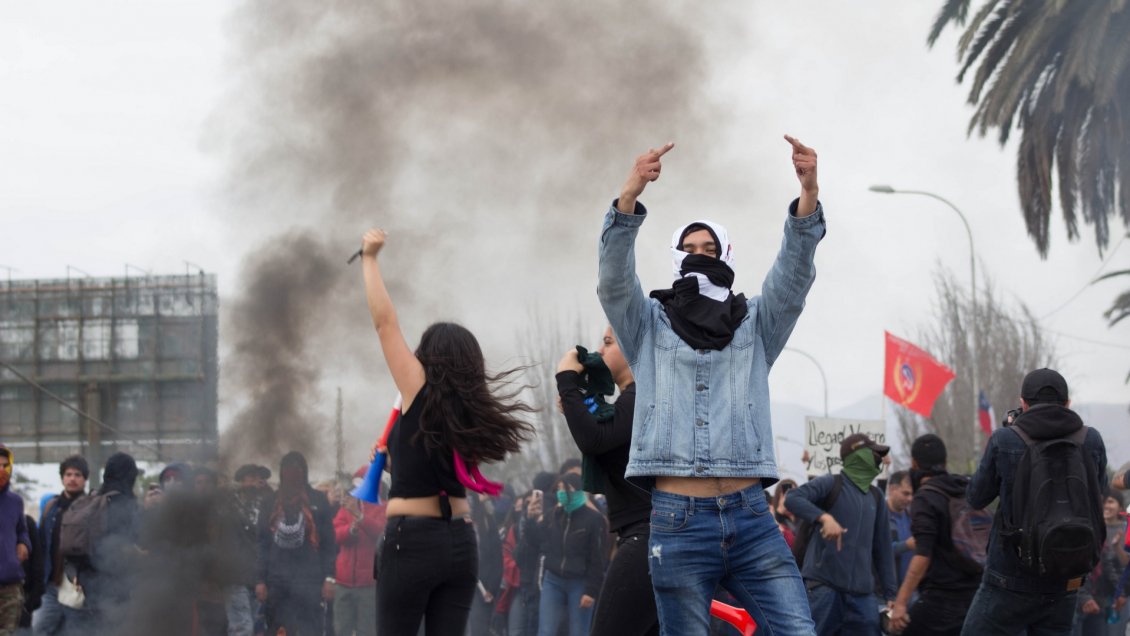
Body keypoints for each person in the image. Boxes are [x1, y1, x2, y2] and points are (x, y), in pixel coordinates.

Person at [596, 136, 824, 635]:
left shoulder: (756, 323)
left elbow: (793, 277)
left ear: (727, 256)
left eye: (711, 249)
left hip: (752, 520)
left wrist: (807, 196)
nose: (700, 257)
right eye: (690, 249)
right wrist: (629, 197)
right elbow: (613, 282)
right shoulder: (647, 325)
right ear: (676, 259)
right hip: (677, 524)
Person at [359, 227, 535, 636]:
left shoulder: (419, 387)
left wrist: (369, 258)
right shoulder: (471, 410)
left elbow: (385, 324)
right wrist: (394, 463)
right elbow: (436, 468)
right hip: (460, 542)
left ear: (428, 358)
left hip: (412, 541)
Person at [962, 368, 1108, 636]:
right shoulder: (1091, 440)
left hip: (1008, 578)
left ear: (1023, 403)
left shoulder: (1006, 439)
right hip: (1066, 577)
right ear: (1067, 404)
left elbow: (975, 497)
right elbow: (1098, 494)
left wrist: (1010, 431)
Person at [556, 327, 657, 636]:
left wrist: (566, 381)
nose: (599, 350)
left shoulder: (642, 396)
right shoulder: (634, 400)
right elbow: (600, 436)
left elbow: (595, 439)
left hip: (646, 537)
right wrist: (575, 406)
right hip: (647, 537)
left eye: (609, 342)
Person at [785, 434, 897, 635]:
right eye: (875, 453)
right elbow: (792, 498)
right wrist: (824, 518)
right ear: (858, 455)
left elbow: (883, 548)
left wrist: (891, 593)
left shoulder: (876, 496)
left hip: (863, 598)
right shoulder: (831, 483)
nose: (879, 459)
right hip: (824, 591)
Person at [889, 434, 983, 636]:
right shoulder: (964, 488)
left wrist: (901, 603)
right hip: (976, 595)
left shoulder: (925, 497)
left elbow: (923, 555)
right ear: (945, 462)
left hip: (941, 598)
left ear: (914, 464)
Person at [255, 451, 335, 636]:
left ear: (304, 472)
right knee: (279, 629)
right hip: (277, 581)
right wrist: (260, 580)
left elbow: (329, 544)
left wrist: (329, 578)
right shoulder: (269, 502)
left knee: (311, 629)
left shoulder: (318, 500)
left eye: (297, 469)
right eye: (288, 470)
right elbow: (262, 544)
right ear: (282, 473)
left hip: (310, 580)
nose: (293, 475)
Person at [526, 473, 606, 636]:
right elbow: (537, 541)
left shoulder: (594, 519)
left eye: (565, 488)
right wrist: (530, 519)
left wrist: (591, 591)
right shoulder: (554, 514)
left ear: (576, 490)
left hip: (579, 582)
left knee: (579, 631)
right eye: (559, 489)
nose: (560, 493)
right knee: (545, 630)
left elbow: (598, 557)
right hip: (553, 579)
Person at [32, 455, 89, 636]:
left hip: (76, 585)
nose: (72, 479)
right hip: (50, 582)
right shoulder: (51, 507)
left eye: (77, 475)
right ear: (62, 478)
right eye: (68, 474)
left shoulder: (92, 508)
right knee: (40, 628)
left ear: (85, 479)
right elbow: (41, 542)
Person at [332, 468, 385, 636]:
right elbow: (336, 534)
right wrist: (351, 530)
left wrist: (361, 517)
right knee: (341, 630)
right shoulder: (346, 507)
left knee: (367, 631)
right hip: (343, 582)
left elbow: (381, 534)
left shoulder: (383, 507)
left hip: (368, 584)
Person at [1072, 490, 1129, 636]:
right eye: (1103, 502)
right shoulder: (1091, 528)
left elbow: (1118, 565)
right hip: (1085, 597)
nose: (1106, 506)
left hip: (1113, 597)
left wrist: (1121, 593)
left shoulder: (1125, 530)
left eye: (1110, 501)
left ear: (1120, 507)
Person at [0, 446, 30, 636]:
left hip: (10, 587)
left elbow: (22, 530)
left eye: (5, 465)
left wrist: (24, 543)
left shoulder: (15, 501)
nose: (2, 470)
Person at [886, 470, 914, 585]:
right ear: (892, 489)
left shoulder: (911, 517)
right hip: (885, 594)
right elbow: (879, 550)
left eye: (912, 494)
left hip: (909, 591)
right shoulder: (878, 517)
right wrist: (907, 545)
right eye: (905, 494)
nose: (910, 499)